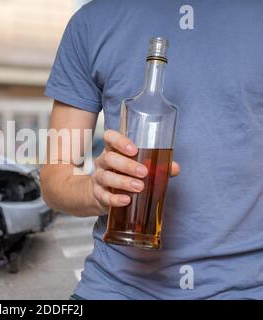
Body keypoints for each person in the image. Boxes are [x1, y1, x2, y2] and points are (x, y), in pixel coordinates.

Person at [40, 0, 263, 299]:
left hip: (249, 287)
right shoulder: (92, 22)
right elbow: (55, 180)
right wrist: (95, 191)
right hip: (115, 287)